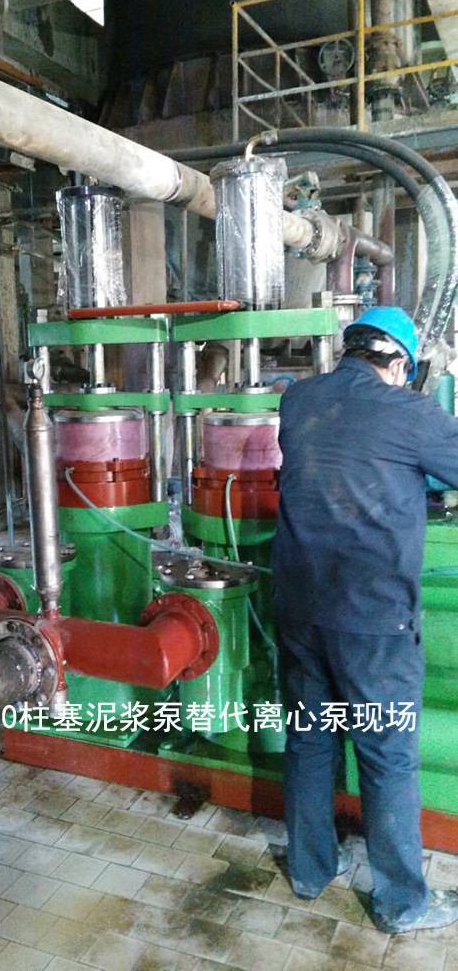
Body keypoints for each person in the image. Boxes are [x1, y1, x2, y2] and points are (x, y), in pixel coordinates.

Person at [271, 305, 458, 934]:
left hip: (300, 608)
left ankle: (309, 870)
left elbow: (341, 463)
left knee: (310, 738)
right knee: (387, 758)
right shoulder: (410, 412)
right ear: (399, 362)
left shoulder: (298, 401)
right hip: (373, 622)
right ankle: (402, 904)